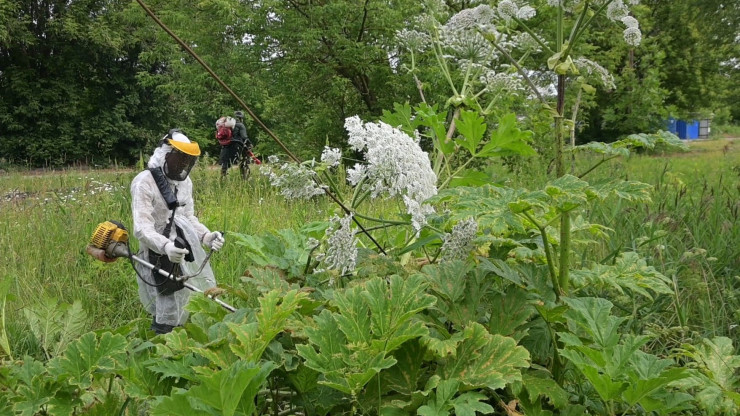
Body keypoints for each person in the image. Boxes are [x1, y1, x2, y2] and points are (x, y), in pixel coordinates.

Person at [130, 129, 225, 334]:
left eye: (187, 160)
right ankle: (163, 342)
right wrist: (165, 246)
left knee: (186, 294)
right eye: (180, 158)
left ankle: (180, 337)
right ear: (166, 154)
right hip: (157, 250)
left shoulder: (184, 183)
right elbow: (142, 227)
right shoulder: (144, 182)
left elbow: (188, 217)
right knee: (167, 299)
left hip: (182, 246)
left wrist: (206, 236)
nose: (183, 164)